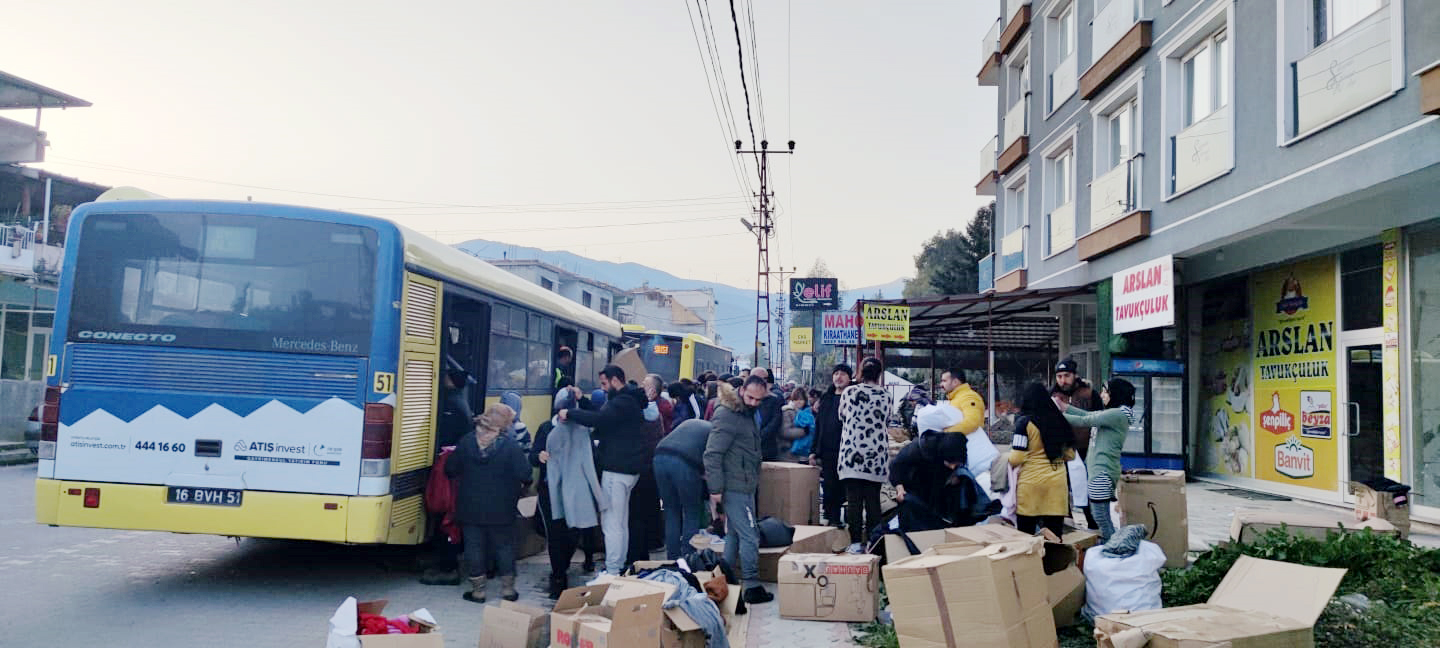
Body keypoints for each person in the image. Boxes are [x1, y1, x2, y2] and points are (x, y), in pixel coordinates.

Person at [559, 365, 647, 577]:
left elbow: (599, 420)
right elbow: (604, 416)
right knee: (621, 521)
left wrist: (569, 412)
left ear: (616, 380)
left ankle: (613, 570)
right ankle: (620, 565)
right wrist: (583, 401)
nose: (604, 389)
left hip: (616, 470)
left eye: (605, 384)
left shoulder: (621, 402)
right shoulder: (630, 400)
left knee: (611, 523)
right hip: (629, 470)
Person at [446, 403, 531, 603]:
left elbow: (450, 469)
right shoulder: (510, 446)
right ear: (504, 424)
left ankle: (478, 592)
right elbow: (525, 474)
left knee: (474, 547)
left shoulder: (467, 442)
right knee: (504, 546)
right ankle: (508, 590)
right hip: (502, 508)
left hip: (470, 507)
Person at [531, 385, 607, 598]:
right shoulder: (546, 428)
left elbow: (599, 418)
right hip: (551, 490)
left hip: (577, 491)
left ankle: (562, 566)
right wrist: (539, 456)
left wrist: (582, 400)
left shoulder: (583, 429)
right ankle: (558, 575)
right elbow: (534, 454)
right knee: (556, 534)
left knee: (573, 531)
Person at [704, 378, 774, 604]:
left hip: (744, 483)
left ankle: (725, 578)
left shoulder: (746, 413)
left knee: (734, 533)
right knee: (750, 535)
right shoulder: (728, 414)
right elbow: (712, 454)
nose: (754, 402)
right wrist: (715, 489)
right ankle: (752, 586)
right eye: (750, 397)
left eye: (758, 399)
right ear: (741, 390)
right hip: (735, 486)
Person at [1062, 378, 1136, 542]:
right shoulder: (1113, 413)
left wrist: (1055, 414)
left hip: (1103, 470)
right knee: (1100, 516)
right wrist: (1066, 407)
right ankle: (1111, 544)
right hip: (1099, 470)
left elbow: (1085, 421)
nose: (1102, 394)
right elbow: (1089, 415)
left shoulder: (1117, 414)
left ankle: (1114, 546)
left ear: (1116, 394)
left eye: (1105, 391)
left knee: (1101, 518)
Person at [419, 368, 473, 586]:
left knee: (445, 518)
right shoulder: (460, 402)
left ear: (450, 381)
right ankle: (444, 563)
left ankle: (448, 568)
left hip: (448, 474)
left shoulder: (450, 405)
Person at [838, 357, 894, 552]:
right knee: (873, 502)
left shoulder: (849, 392)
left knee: (853, 502)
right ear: (879, 374)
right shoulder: (886, 395)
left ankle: (854, 543)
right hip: (876, 457)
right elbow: (887, 419)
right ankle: (873, 542)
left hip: (851, 454)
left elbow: (842, 416)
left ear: (860, 372)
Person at [1008, 383, 1077, 537]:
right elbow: (1070, 455)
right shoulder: (1060, 422)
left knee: (1026, 536)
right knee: (1054, 537)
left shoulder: (1024, 424)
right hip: (1057, 485)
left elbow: (1016, 458)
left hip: (1031, 485)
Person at [889, 432, 976, 529]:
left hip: (936, 488)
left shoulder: (955, 449)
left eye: (955, 464)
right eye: (950, 462)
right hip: (915, 484)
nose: (952, 467)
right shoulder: (918, 449)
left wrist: (954, 476)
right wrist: (899, 488)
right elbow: (895, 467)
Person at [654, 418, 713, 559]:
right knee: (691, 511)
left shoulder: (695, 423)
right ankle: (688, 558)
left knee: (671, 511)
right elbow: (713, 466)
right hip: (684, 462)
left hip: (659, 456)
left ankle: (672, 559)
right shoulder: (716, 434)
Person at [628, 374, 669, 564]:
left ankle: (645, 546)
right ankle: (654, 540)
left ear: (652, 391)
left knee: (641, 510)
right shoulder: (656, 410)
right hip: (653, 463)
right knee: (651, 505)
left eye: (644, 385)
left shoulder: (649, 412)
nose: (641, 387)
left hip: (644, 464)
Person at [811, 364, 853, 527]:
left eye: (843, 374)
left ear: (849, 378)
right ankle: (832, 519)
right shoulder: (826, 398)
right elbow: (819, 425)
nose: (838, 377)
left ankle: (849, 518)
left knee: (846, 488)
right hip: (828, 451)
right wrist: (813, 451)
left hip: (848, 450)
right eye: (836, 373)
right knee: (829, 486)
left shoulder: (853, 397)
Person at [1052, 358, 1100, 459]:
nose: (1063, 381)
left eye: (1067, 376)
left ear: (1075, 375)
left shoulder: (1090, 394)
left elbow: (1098, 419)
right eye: (1059, 377)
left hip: (1086, 451)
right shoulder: (1051, 396)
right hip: (1060, 450)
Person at [939, 368, 986, 435]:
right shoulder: (956, 398)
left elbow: (972, 422)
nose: (941, 384)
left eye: (944, 381)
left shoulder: (969, 397)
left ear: (955, 382)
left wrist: (945, 433)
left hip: (969, 443)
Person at [750, 367, 784, 461]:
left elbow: (775, 422)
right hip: (747, 447)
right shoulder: (744, 398)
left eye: (765, 378)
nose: (762, 381)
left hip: (767, 449)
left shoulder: (774, 399)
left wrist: (759, 437)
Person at [785, 388, 817, 461]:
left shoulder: (809, 412)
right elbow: (785, 431)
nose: (798, 402)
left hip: (805, 451)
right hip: (789, 452)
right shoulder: (787, 411)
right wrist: (805, 431)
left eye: (801, 399)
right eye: (796, 399)